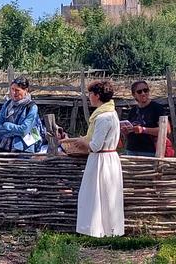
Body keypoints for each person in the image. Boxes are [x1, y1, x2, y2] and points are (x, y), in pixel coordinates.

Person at [61, 80, 124, 238]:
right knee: (107, 195)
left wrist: (81, 141)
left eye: (90, 94)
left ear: (97, 95)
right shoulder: (111, 113)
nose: (89, 97)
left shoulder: (103, 117)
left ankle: (97, 230)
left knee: (97, 195)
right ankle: (109, 230)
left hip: (101, 160)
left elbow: (95, 145)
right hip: (107, 158)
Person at [0, 77, 44, 153]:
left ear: (26, 90)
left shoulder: (32, 107)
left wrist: (7, 125)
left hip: (24, 148)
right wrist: (16, 131)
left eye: (17, 90)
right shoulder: (7, 105)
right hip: (5, 146)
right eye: (12, 89)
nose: (14, 93)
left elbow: (24, 130)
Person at [123, 80, 169, 157]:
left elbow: (167, 130)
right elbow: (128, 134)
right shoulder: (132, 111)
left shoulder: (156, 108)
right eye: (139, 91)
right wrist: (126, 131)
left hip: (149, 151)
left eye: (145, 90)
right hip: (131, 150)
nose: (143, 93)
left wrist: (143, 130)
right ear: (134, 95)